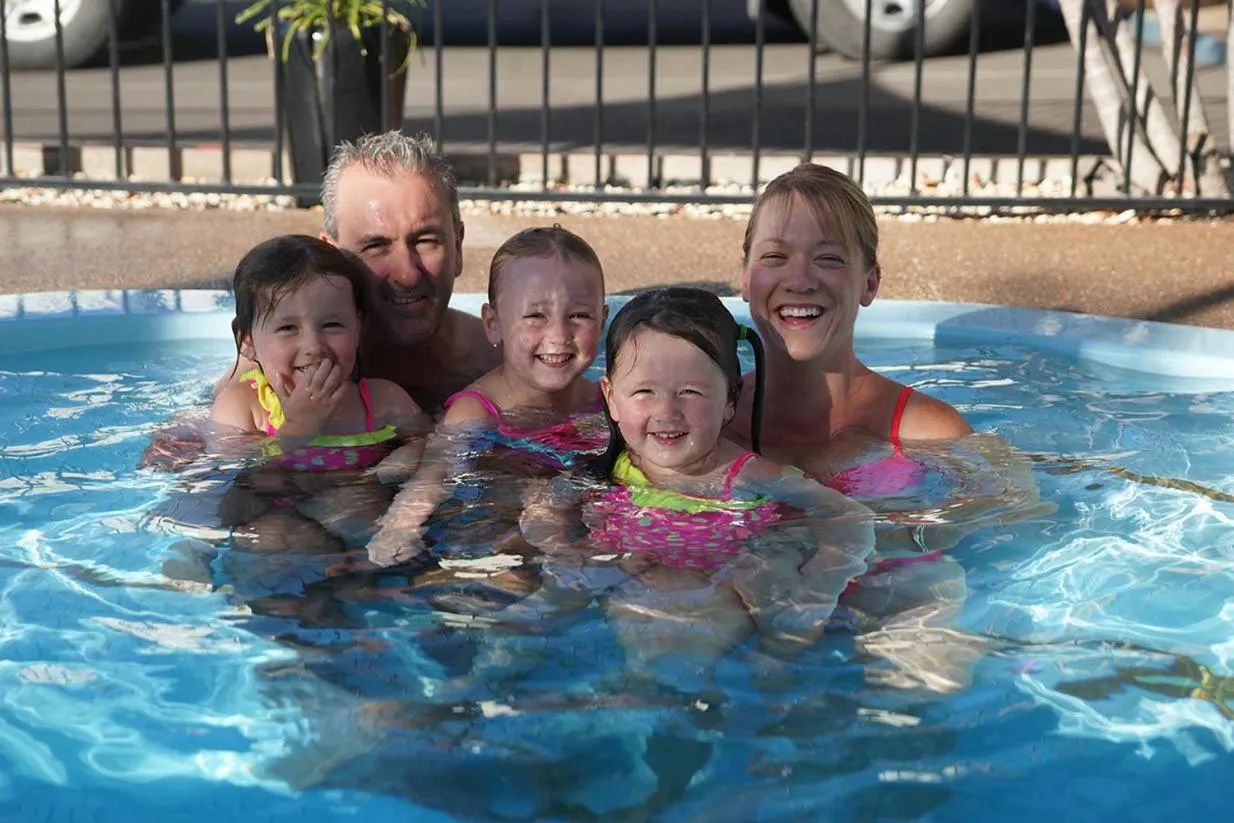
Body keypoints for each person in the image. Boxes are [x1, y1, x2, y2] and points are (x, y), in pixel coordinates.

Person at [728, 162, 1047, 692]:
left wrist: (888, 531)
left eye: (829, 258)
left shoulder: (927, 430)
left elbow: (1020, 519)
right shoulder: (696, 419)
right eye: (775, 257)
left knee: (929, 676)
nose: (799, 279)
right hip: (742, 602)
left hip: (900, 604)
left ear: (870, 283)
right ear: (745, 278)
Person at [519, 287, 875, 678]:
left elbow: (849, 516)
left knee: (783, 627)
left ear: (730, 400)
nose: (667, 411)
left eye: (690, 392)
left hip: (724, 581)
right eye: (644, 391)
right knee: (540, 608)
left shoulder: (748, 475)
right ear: (612, 398)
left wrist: (817, 590)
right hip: (626, 570)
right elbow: (543, 507)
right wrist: (559, 548)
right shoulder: (605, 469)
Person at [367, 224, 611, 567]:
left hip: (564, 507)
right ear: (493, 324)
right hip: (499, 515)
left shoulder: (607, 402)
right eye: (535, 316)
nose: (559, 335)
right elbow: (436, 474)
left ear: (602, 322)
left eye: (579, 316)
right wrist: (400, 526)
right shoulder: (477, 411)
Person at [215, 130, 501, 414]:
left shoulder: (499, 361)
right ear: (332, 256)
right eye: (376, 246)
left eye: (426, 241)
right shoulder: (272, 370)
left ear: (458, 248)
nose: (407, 275)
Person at [208, 234, 429, 560]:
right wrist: (297, 430)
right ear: (248, 342)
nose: (313, 346)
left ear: (359, 327)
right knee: (267, 539)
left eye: (332, 325)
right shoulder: (243, 407)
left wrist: (395, 466)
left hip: (354, 513)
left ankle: (360, 579)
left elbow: (434, 443)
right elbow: (227, 488)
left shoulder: (382, 402)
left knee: (363, 512)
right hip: (276, 518)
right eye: (288, 328)